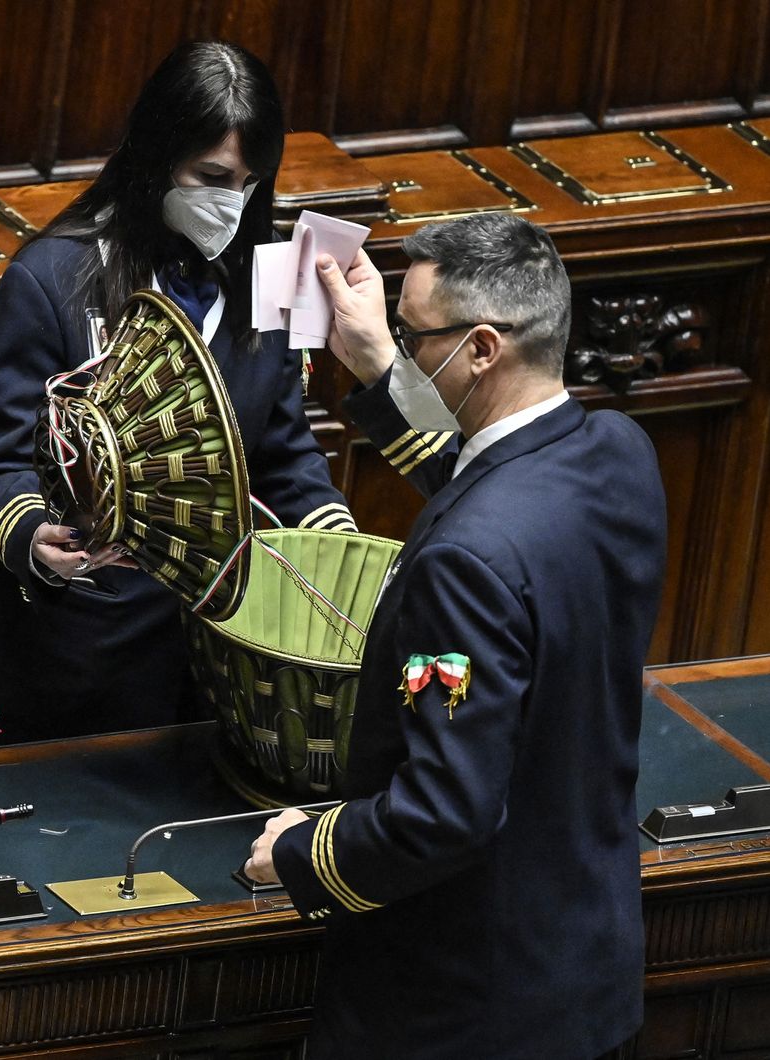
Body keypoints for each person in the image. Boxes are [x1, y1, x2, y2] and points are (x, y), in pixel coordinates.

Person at [244, 213, 668, 1058]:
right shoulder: (618, 454)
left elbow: (442, 813)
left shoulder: (465, 562)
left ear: (480, 348)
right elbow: (493, 485)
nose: (403, 347)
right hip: (584, 974)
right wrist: (378, 368)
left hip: (457, 1012)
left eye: (413, 336)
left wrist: (301, 852)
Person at [0, 41, 356, 743]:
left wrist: (340, 549)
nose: (231, 203)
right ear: (158, 152)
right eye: (212, 176)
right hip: (70, 654)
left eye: (250, 182)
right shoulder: (51, 278)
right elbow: (1, 461)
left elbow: (285, 457)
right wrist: (30, 536)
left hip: (207, 661)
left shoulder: (268, 284)